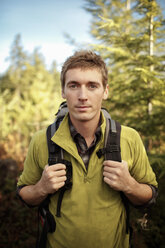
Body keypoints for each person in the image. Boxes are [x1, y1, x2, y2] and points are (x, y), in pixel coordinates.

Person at [17, 50, 158, 248]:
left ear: (106, 91)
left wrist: (129, 185)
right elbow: (24, 194)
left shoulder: (129, 138)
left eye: (92, 86)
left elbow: (150, 196)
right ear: (63, 91)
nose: (83, 96)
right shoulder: (42, 140)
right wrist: (41, 188)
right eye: (74, 85)